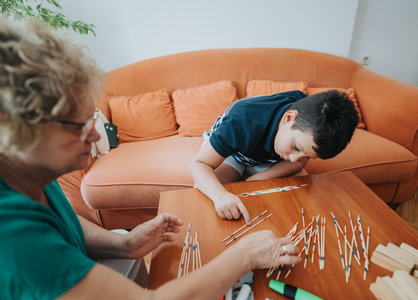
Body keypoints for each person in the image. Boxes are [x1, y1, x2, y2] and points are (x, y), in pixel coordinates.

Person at [0, 18, 301, 299]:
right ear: (18, 132)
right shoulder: (14, 235)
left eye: (90, 120)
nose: (94, 137)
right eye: (79, 126)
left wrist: (124, 244)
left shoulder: (27, 171)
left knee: (118, 233)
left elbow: (63, 220)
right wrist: (243, 256)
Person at [191, 89, 358, 224]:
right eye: (296, 147)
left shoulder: (313, 119)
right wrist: (220, 196)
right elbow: (199, 164)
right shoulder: (240, 122)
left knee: (300, 198)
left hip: (269, 159)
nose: (295, 159)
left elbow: (298, 164)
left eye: (306, 155)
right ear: (289, 118)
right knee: (208, 196)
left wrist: (257, 180)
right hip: (232, 154)